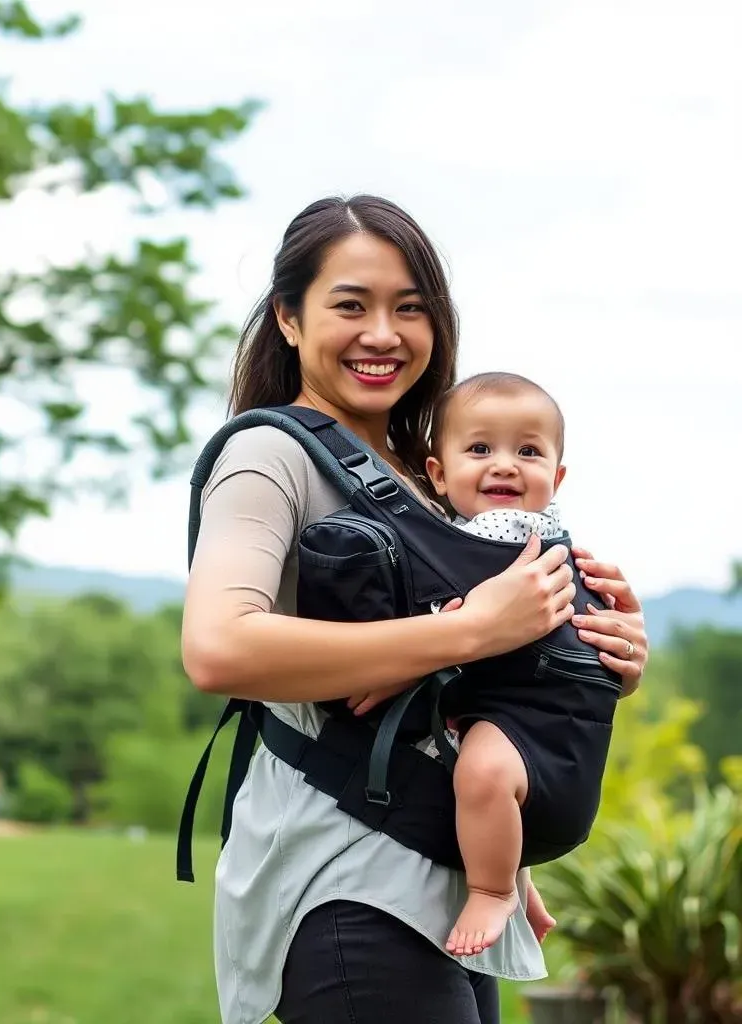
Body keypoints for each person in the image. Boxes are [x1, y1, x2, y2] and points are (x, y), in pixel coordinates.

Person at [181, 194, 648, 1024]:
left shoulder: (428, 478)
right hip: (344, 878)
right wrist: (472, 628)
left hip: (440, 872)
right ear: (289, 318)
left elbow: (456, 693)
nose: (383, 334)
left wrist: (587, 652)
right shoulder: (268, 456)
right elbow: (219, 648)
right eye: (350, 305)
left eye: (410, 308)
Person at [421, 371, 583, 958]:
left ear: (557, 476)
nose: (506, 465)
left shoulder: (513, 536)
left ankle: (492, 890)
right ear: (438, 472)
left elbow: (473, 607)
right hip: (492, 702)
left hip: (532, 708)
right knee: (479, 785)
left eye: (529, 451)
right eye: (481, 448)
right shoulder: (452, 535)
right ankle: (517, 877)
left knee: (485, 774)